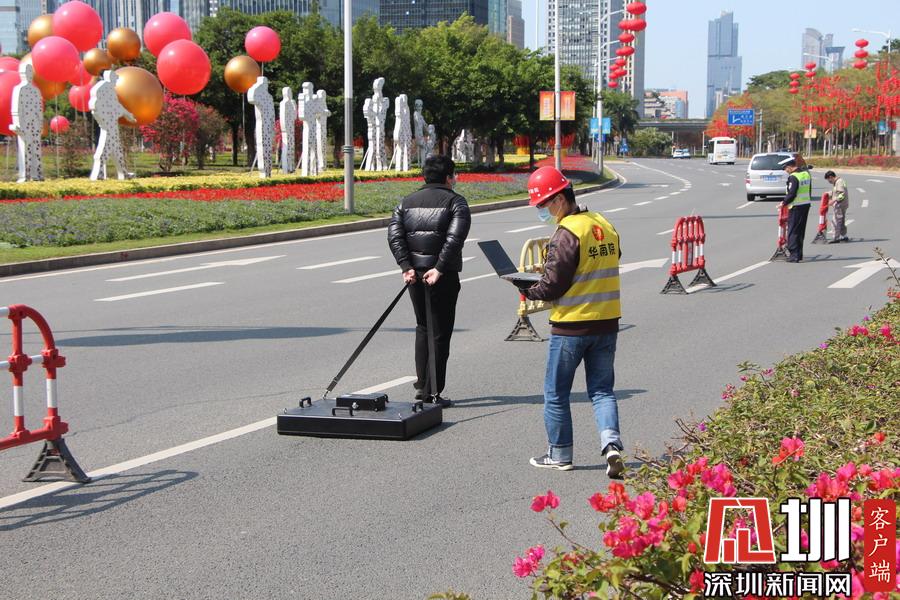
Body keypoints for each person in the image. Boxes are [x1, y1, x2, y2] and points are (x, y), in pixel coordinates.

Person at [519, 166, 625, 478]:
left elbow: (553, 286)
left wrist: (526, 288)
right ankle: (611, 445)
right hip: (607, 322)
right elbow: (611, 258)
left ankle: (560, 454)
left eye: (543, 204)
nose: (542, 211)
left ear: (559, 199)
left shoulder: (566, 233)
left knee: (556, 393)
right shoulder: (602, 223)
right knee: (602, 391)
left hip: (571, 326)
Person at [388, 155, 471, 407]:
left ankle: (422, 385)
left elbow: (394, 236)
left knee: (423, 327)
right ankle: (432, 392)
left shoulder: (406, 202)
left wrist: (406, 266)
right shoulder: (456, 202)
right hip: (441, 276)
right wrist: (439, 268)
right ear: (449, 177)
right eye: (454, 175)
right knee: (440, 333)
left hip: (414, 275)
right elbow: (455, 239)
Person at [779, 156, 812, 263]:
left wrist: (783, 203)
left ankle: (794, 255)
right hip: (805, 205)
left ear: (789, 167)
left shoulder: (793, 177)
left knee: (793, 231)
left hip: (796, 206)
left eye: (785, 169)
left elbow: (792, 193)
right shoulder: (805, 174)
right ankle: (799, 254)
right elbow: (809, 190)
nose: (786, 171)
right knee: (800, 231)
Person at [824, 170, 849, 243]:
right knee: (841, 221)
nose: (829, 182)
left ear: (831, 177)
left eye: (828, 180)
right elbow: (836, 192)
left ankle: (835, 237)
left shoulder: (839, 182)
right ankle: (844, 236)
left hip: (840, 204)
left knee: (835, 221)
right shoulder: (838, 182)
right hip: (842, 204)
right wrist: (828, 194)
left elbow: (841, 194)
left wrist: (833, 200)